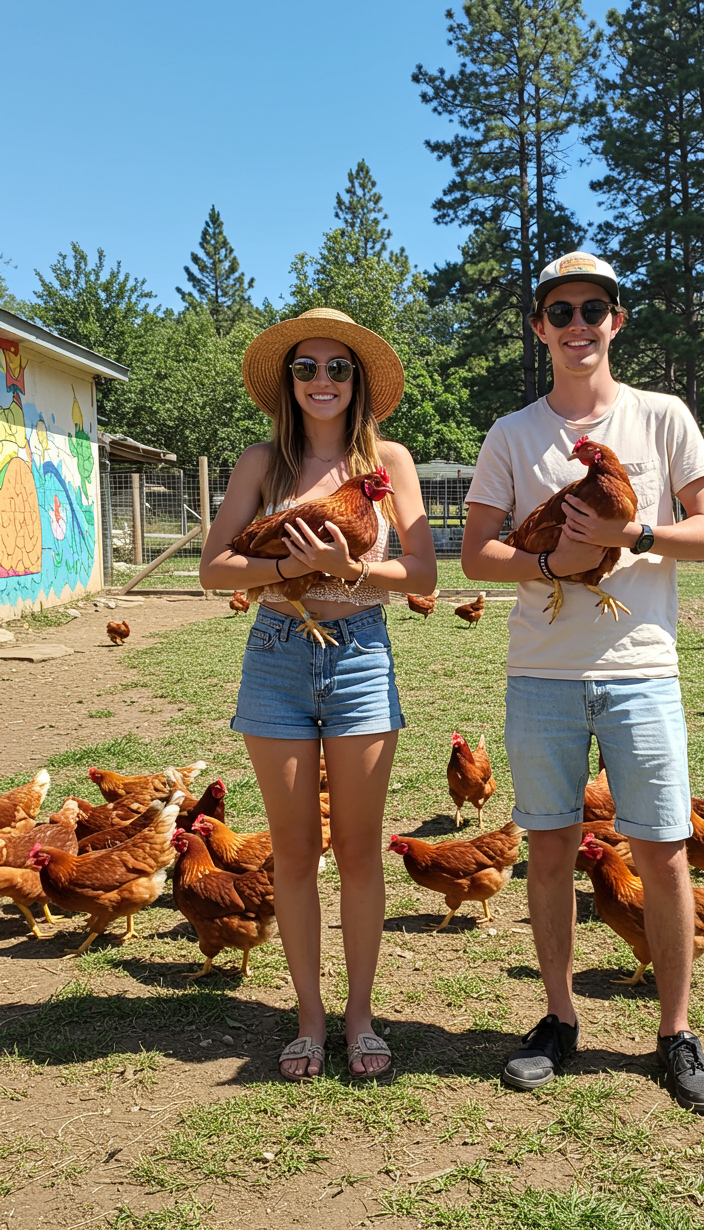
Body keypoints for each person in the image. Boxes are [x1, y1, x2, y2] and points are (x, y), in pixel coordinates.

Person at [461, 252, 704, 1113]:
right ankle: (558, 1017)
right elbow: (476, 554)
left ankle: (676, 1030)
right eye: (560, 310)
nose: (578, 323)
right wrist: (554, 557)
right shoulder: (510, 433)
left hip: (642, 670)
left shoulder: (663, 417)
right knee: (548, 848)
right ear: (539, 327)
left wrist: (637, 529)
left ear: (617, 321)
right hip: (541, 672)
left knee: (662, 852)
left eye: (594, 308)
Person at [200, 307, 436, 1083]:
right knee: (296, 852)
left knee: (362, 850)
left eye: (339, 368)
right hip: (276, 654)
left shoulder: (391, 461)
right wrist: (284, 568)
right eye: (307, 368)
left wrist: (347, 569)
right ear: (289, 382)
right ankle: (308, 1019)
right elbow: (213, 569)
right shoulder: (260, 463)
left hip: (361, 653)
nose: (324, 380)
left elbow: (425, 578)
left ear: (359, 381)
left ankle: (360, 1014)